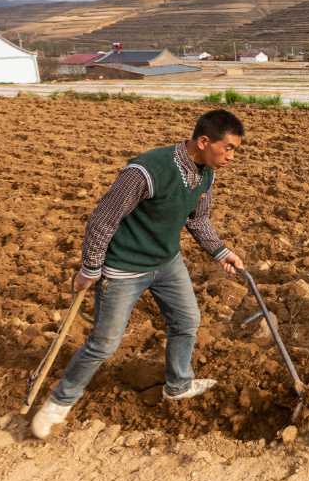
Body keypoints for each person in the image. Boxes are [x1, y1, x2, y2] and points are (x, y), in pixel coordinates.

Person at [31, 109, 246, 439]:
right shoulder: (147, 170)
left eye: (236, 150)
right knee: (104, 344)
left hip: (167, 262)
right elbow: (103, 219)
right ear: (204, 141)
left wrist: (221, 251)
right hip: (123, 269)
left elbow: (197, 219)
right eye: (228, 148)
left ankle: (177, 385)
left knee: (187, 320)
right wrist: (90, 268)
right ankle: (58, 403)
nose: (232, 156)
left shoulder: (206, 174)